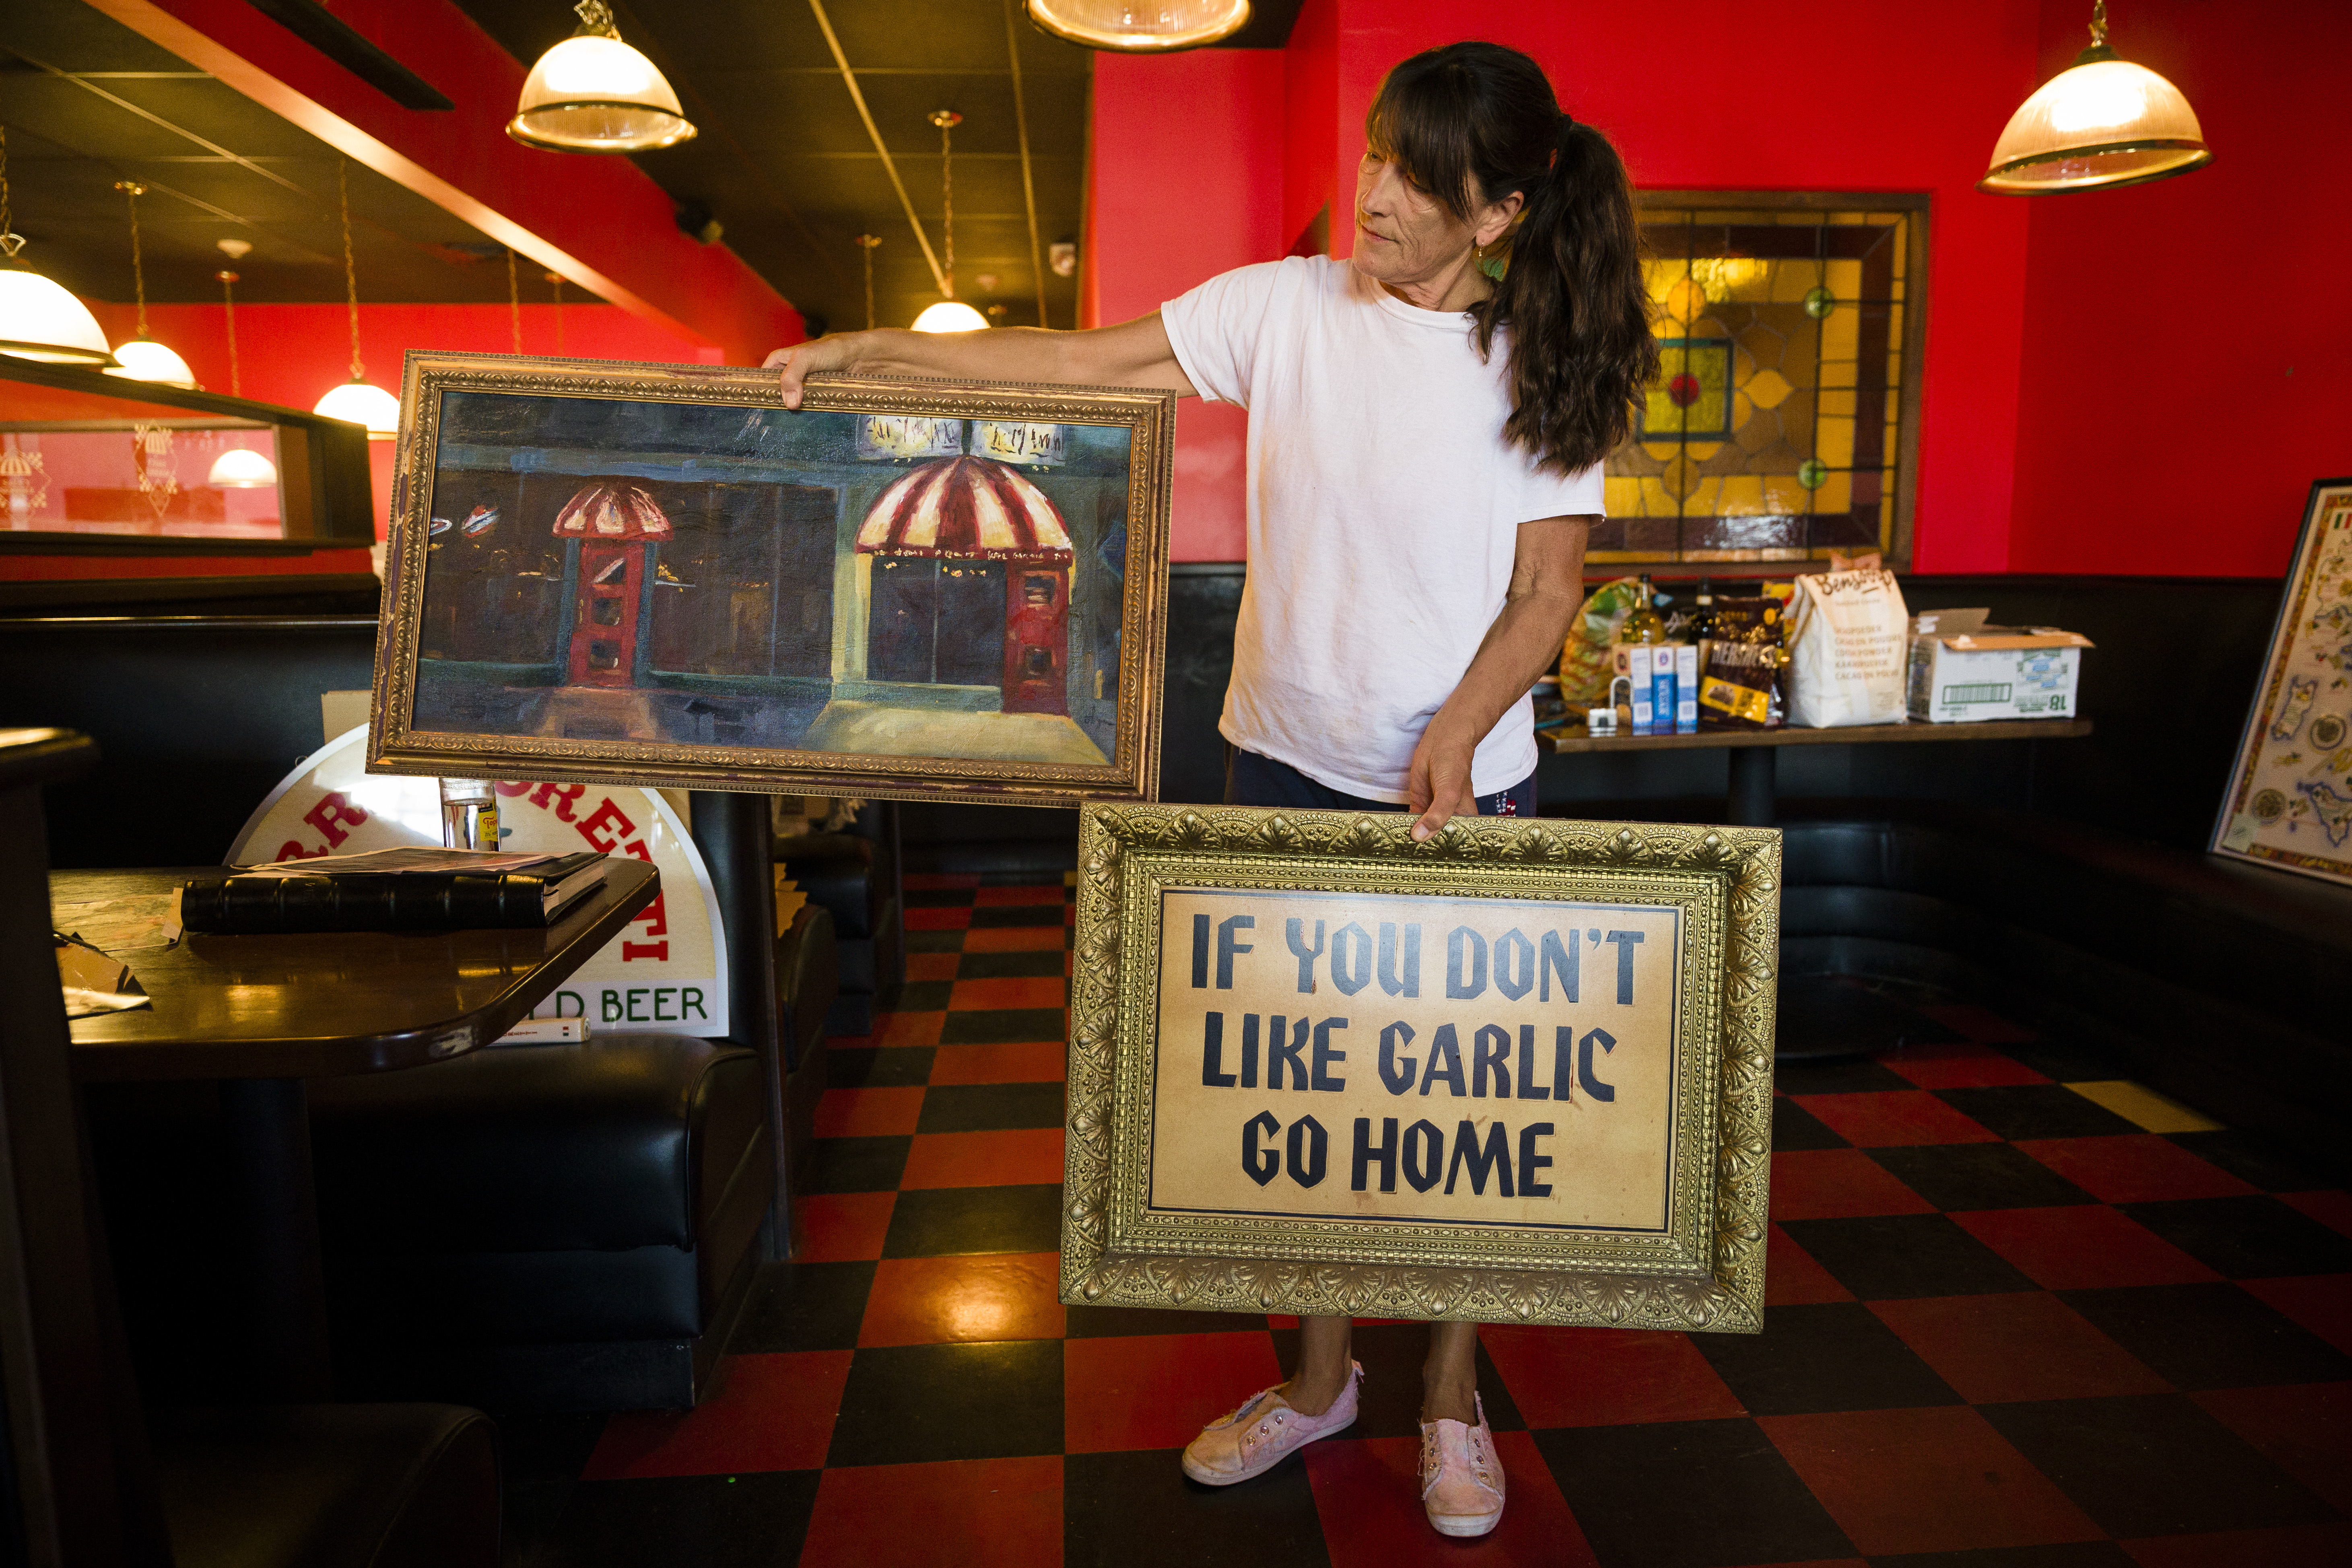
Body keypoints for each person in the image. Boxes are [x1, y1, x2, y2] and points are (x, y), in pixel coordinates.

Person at [770, 39, 1654, 1539]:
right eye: (1373, 154)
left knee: (1464, 1120)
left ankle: (1448, 1395)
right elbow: (1076, 361)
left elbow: (1547, 593)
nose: (1372, 194)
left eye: (1415, 181)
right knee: (1295, 1105)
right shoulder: (1287, 307)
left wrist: (1455, 725)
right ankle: (1320, 1384)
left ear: (1497, 215)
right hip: (1276, 764)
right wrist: (865, 355)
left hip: (1465, 790)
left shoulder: (1541, 364)